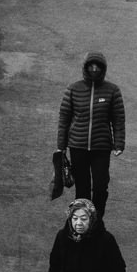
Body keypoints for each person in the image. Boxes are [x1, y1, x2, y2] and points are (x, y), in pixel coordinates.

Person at [56, 52, 125, 218]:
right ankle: (83, 221)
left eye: (98, 66)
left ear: (103, 68)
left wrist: (119, 143)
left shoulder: (112, 91)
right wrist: (61, 146)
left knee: (101, 186)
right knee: (82, 186)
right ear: (86, 67)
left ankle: (97, 220)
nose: (94, 69)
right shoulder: (73, 89)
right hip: (77, 146)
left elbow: (118, 119)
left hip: (101, 147)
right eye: (91, 66)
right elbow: (64, 118)